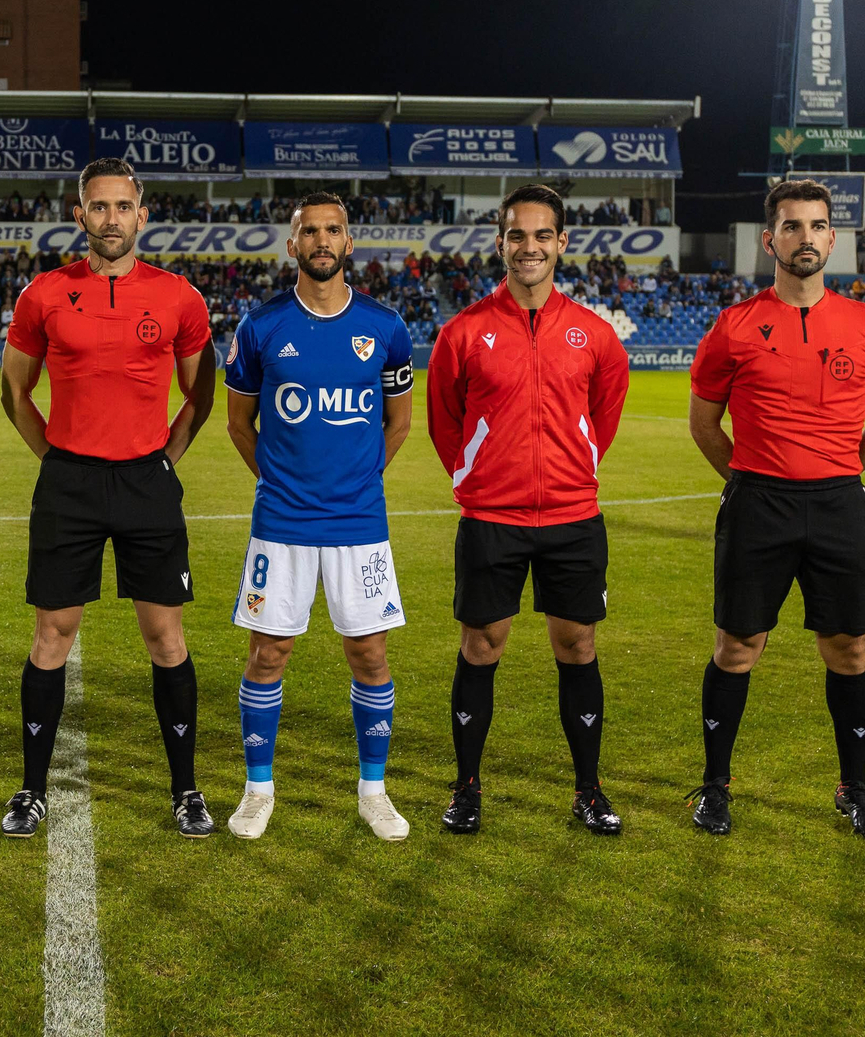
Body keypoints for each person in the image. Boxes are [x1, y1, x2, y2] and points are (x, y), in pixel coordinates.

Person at [0, 157, 217, 838]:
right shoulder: (42, 295)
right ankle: (32, 790)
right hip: (70, 482)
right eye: (99, 207)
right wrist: (58, 459)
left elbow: (199, 392)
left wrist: (164, 460)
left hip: (146, 481)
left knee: (165, 635)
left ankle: (185, 791)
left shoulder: (179, 296)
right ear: (80, 215)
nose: (111, 218)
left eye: (124, 207)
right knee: (51, 635)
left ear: (142, 216)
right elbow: (15, 392)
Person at [687, 179, 865, 839]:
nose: (804, 237)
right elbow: (704, 425)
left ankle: (855, 787)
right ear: (769, 238)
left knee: (850, 649)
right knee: (737, 645)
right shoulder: (736, 325)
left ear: (833, 239)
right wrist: (755, 479)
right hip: (758, 504)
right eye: (791, 226)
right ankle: (716, 787)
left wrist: (832, 475)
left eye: (816, 226)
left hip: (838, 505)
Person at [427, 184, 631, 836]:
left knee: (577, 645)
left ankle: (589, 790)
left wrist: (577, 468)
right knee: (481, 645)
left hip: (573, 518)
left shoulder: (596, 334)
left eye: (543, 235)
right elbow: (444, 421)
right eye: (518, 235)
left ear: (563, 243)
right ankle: (466, 789)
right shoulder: (463, 332)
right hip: (491, 519)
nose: (530, 247)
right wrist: (475, 476)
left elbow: (605, 414)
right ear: (501, 242)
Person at [222, 192, 415, 842]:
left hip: (359, 523)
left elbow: (399, 423)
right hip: (282, 522)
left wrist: (357, 481)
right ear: (292, 245)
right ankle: (257, 790)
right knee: (269, 651)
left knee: (369, 651)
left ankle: (374, 791)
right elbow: (239, 424)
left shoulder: (385, 327)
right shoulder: (260, 328)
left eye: (334, 230)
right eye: (310, 231)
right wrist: (283, 482)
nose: (322, 240)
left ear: (350, 243)